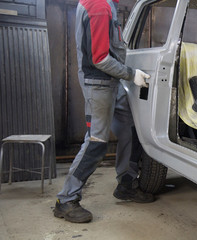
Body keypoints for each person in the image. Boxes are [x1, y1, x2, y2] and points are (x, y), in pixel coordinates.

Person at [53, 0, 154, 223]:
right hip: (99, 83)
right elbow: (99, 58)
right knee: (96, 143)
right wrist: (131, 73)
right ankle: (66, 200)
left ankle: (126, 185)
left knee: (130, 128)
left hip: (111, 81)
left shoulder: (107, 4)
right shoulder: (98, 6)